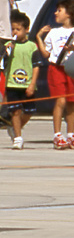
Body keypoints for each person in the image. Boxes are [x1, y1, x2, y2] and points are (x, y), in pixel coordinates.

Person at [37, 0, 74, 150]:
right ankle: (57, 135)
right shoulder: (53, 32)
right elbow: (46, 54)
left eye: (59, 10)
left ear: (70, 14)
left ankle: (71, 135)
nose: (56, 13)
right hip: (56, 69)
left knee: (72, 103)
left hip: (72, 69)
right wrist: (39, 38)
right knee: (60, 101)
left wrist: (73, 49)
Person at [5, 11, 36, 149]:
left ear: (26, 30)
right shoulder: (9, 46)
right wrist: (6, 50)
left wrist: (32, 84)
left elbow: (36, 66)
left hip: (27, 83)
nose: (15, 32)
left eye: (18, 29)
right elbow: (3, 63)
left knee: (29, 111)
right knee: (15, 111)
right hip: (12, 84)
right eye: (13, 29)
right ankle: (18, 137)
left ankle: (14, 127)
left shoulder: (32, 46)